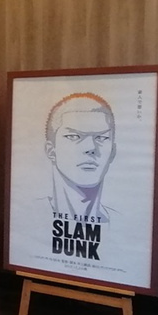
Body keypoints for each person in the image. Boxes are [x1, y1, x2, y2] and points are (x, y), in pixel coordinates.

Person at [37, 93, 117, 223]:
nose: (90, 148)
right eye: (74, 136)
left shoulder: (122, 223)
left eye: (101, 137)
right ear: (51, 150)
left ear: (113, 152)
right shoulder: (28, 215)